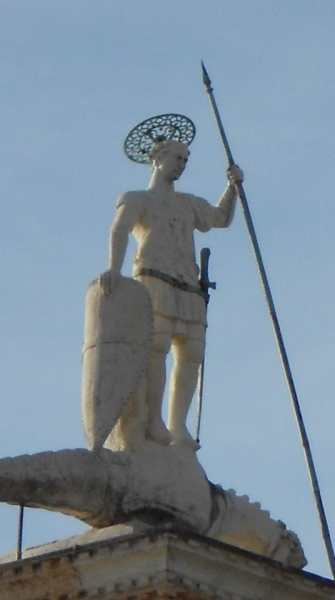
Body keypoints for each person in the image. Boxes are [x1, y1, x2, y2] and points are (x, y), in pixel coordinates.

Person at [100, 140, 242, 445]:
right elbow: (119, 229)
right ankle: (153, 418)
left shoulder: (188, 203)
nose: (181, 164)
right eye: (177, 157)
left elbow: (220, 218)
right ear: (158, 158)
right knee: (158, 346)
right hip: (154, 276)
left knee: (192, 352)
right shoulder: (136, 198)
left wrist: (232, 187)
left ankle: (178, 426)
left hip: (187, 280)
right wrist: (114, 268)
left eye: (186, 160)